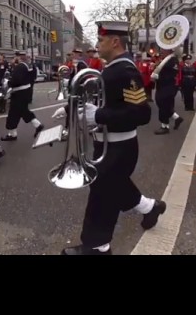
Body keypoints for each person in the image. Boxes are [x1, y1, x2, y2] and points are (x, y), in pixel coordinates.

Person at [53, 21, 166, 255]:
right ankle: (150, 207)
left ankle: (97, 247)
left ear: (115, 41)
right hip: (108, 144)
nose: (97, 45)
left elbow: (141, 113)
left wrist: (100, 116)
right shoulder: (112, 68)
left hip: (119, 146)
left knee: (102, 197)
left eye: (101, 40)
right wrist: (70, 109)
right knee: (114, 188)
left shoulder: (126, 71)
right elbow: (101, 99)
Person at [1, 50, 44, 141]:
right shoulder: (29, 65)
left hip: (19, 93)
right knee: (24, 111)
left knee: (13, 113)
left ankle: (12, 134)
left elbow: (17, 80)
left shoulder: (20, 67)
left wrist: (8, 82)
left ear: (18, 57)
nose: (14, 58)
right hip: (26, 91)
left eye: (15, 56)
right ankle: (38, 125)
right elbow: (33, 77)